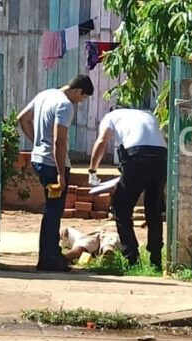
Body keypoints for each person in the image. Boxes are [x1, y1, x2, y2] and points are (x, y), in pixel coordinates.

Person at [17, 75, 94, 272]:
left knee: (52, 210)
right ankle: (48, 258)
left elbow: (22, 119)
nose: (80, 102)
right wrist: (61, 174)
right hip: (53, 164)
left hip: (39, 160)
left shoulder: (45, 95)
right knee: (54, 211)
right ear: (78, 91)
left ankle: (51, 254)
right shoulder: (65, 105)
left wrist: (37, 143)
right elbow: (59, 142)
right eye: (82, 98)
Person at [88, 106, 167, 270]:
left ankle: (132, 259)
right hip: (161, 157)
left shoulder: (111, 116)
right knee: (154, 210)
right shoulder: (147, 115)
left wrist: (92, 171)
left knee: (121, 207)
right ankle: (156, 259)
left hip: (136, 157)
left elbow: (101, 142)